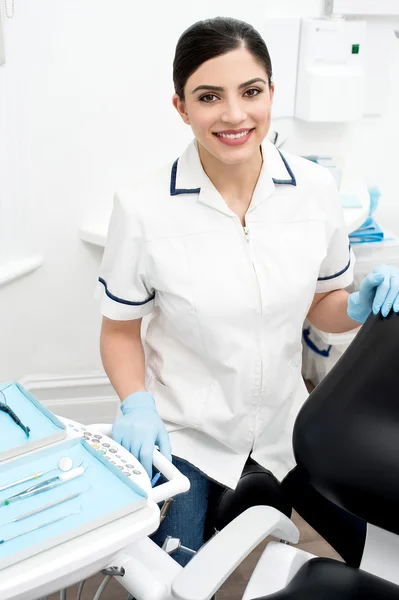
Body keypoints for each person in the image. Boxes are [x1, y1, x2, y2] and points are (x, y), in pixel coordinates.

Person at [97, 17, 399, 566]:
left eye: (251, 92)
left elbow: (322, 305)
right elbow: (119, 329)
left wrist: (354, 306)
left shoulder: (314, 190)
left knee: (380, 551)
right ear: (181, 107)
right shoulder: (142, 208)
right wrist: (136, 403)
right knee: (171, 576)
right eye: (209, 96)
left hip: (290, 425)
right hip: (187, 433)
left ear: (271, 94)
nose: (234, 115)